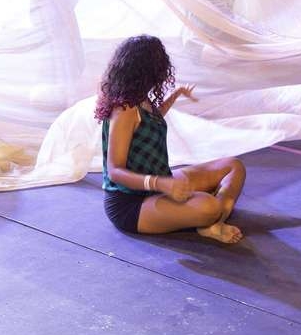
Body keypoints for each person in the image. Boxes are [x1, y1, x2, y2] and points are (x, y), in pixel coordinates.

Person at [97, 35, 246, 243]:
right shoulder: (124, 109)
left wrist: (175, 95)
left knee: (233, 166)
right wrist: (161, 184)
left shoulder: (140, 99)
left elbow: (150, 121)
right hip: (131, 204)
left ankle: (212, 222)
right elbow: (115, 171)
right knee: (209, 206)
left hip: (160, 182)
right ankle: (212, 217)